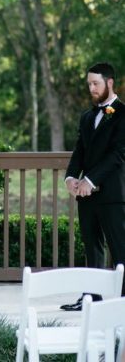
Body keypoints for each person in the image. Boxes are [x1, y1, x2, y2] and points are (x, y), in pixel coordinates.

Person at [61, 62, 125, 311]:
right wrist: (71, 177)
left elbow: (118, 154)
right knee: (92, 248)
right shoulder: (87, 117)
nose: (91, 88)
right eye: (89, 84)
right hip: (86, 197)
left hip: (113, 195)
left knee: (120, 249)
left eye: (95, 83)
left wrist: (90, 180)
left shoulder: (123, 114)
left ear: (110, 83)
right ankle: (91, 300)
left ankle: (122, 303)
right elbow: (80, 151)